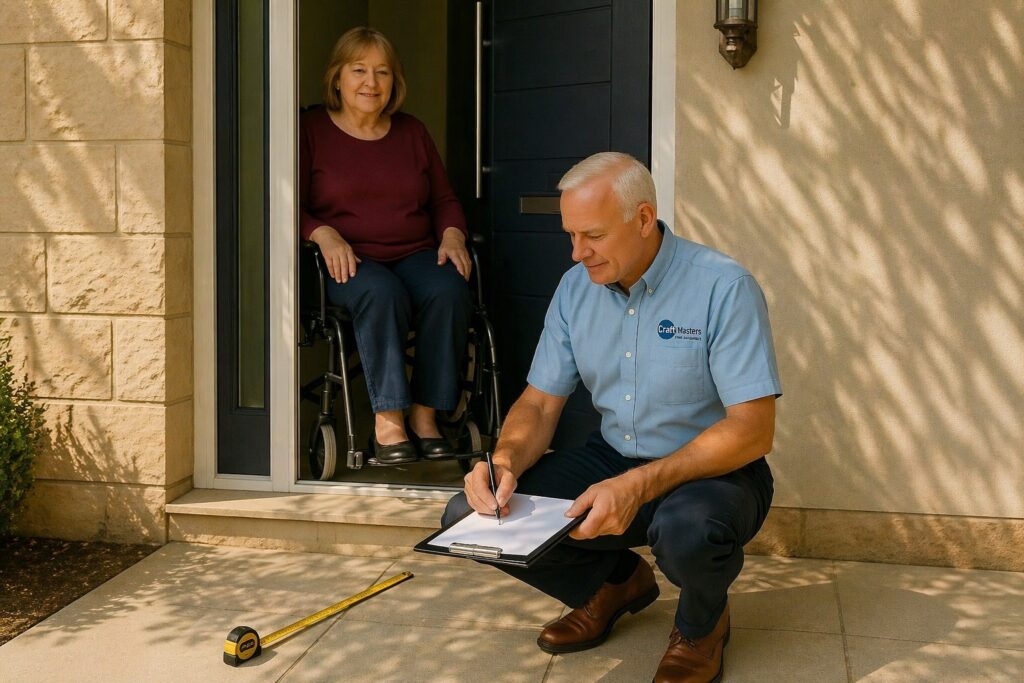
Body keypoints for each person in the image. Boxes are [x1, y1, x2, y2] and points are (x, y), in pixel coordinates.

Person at [443, 152, 781, 682]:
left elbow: (753, 430)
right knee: (471, 513)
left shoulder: (724, 287)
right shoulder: (574, 288)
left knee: (687, 532)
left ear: (643, 219)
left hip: (714, 471)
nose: (578, 253)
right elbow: (539, 403)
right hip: (612, 458)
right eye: (571, 235)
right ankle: (614, 584)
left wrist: (639, 485)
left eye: (593, 236)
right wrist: (504, 461)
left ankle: (701, 625)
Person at [300, 27, 472, 464]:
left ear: (394, 81)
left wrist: (452, 233)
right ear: (337, 77)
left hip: (414, 252)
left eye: (382, 72)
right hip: (348, 261)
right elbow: (285, 204)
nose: (371, 82)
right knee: (382, 292)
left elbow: (444, 200)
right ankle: (389, 421)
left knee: (449, 289)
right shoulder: (311, 129)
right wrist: (321, 232)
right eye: (358, 70)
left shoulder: (412, 132)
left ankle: (425, 416)